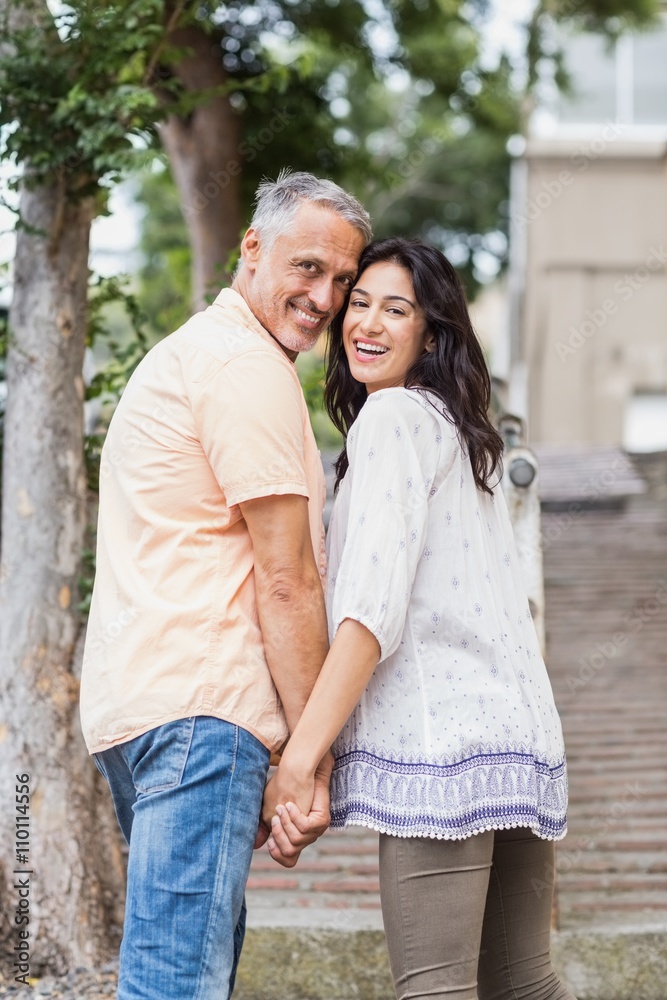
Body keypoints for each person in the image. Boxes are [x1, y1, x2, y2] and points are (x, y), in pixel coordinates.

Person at [79, 170, 371, 1000]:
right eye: (308, 268)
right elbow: (286, 581)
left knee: (181, 975)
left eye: (343, 281)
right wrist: (308, 762)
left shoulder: (192, 356)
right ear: (253, 248)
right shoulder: (244, 367)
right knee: (176, 987)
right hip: (200, 717)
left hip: (149, 710)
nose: (324, 298)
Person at [263, 238, 576, 1000]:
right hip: (519, 742)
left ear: (430, 334)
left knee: (435, 990)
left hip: (442, 756)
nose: (365, 323)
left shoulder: (393, 418)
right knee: (523, 986)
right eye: (358, 304)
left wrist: (300, 758)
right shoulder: (462, 431)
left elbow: (371, 615)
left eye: (394, 309)